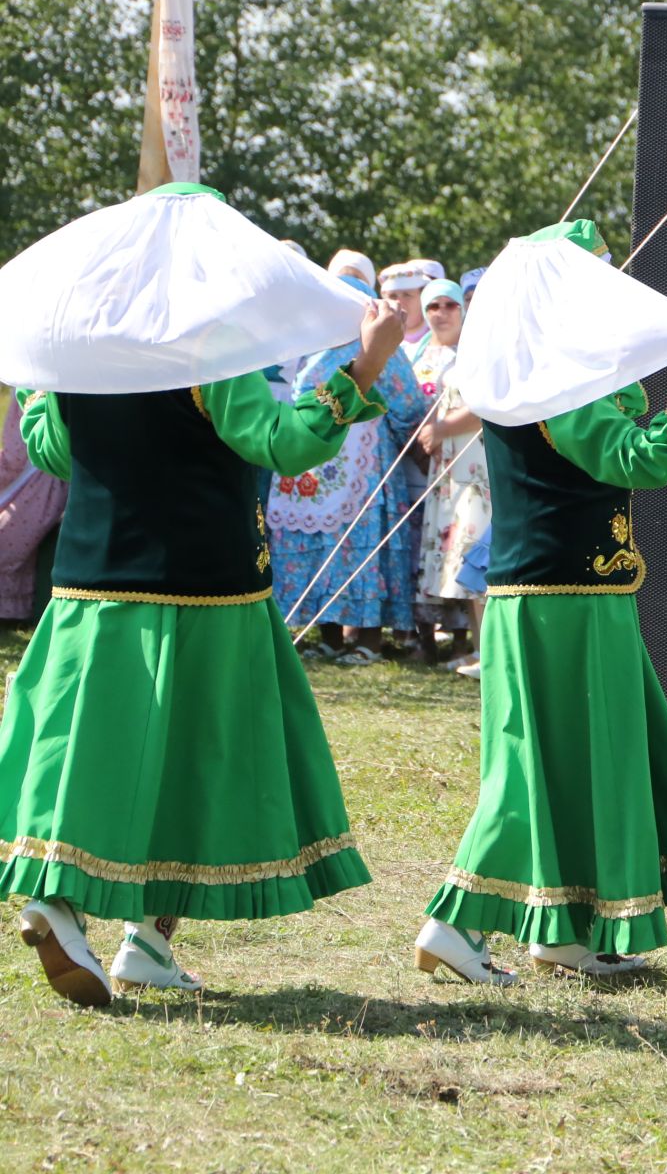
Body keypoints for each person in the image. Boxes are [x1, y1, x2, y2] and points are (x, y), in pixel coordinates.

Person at [0, 192, 402, 1002]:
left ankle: (136, 937)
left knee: (92, 749)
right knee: (191, 764)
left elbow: (53, 452)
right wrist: (363, 367)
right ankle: (87, 909)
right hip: (204, 590)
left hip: (90, 585)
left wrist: (38, 380)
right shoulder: (213, 343)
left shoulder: (84, 344)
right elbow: (283, 443)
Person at [413, 218, 667, 984]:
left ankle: (558, 933)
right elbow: (633, 458)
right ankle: (456, 923)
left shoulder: (539, 366)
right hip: (562, 602)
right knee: (536, 769)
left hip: (564, 594)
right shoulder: (558, 376)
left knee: (560, 767)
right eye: (599, 273)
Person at [269, 261, 429, 663]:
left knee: (359, 545)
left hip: (363, 462)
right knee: (318, 544)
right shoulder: (308, 344)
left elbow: (406, 401)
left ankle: (368, 638)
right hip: (312, 458)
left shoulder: (377, 343)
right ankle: (328, 634)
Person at [411, 279, 489, 668]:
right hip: (454, 469)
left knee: (478, 553)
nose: (442, 313)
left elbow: (482, 407)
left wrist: (440, 428)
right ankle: (480, 649)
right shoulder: (443, 354)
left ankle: (488, 651)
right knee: (465, 556)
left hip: (476, 468)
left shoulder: (482, 351)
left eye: (451, 305)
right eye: (433, 306)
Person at [0, 390, 67, 624]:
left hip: (41, 481)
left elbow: (15, 457)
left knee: (6, 540)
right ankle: (12, 609)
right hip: (49, 476)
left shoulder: (28, 386)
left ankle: (11, 610)